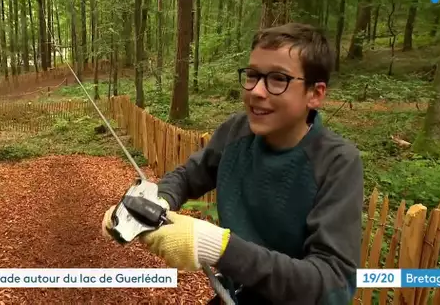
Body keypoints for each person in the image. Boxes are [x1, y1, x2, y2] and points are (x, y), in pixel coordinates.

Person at [102, 22, 364, 305]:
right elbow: (190, 175)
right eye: (252, 75)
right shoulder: (237, 131)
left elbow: (333, 284)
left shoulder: (338, 163)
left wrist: (219, 248)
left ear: (315, 94)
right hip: (234, 294)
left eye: (278, 79)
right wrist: (157, 200)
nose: (257, 91)